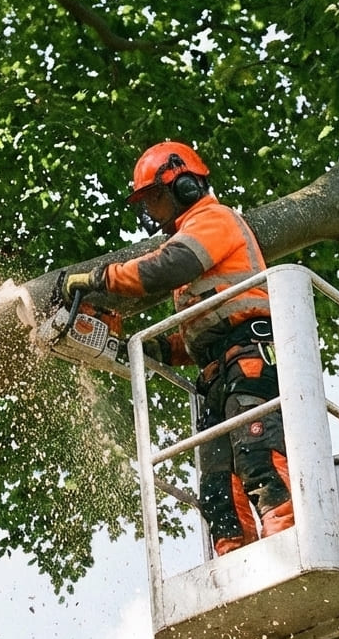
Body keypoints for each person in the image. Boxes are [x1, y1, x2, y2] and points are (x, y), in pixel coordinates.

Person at [63, 141, 294, 556]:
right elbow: (200, 334)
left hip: (250, 359)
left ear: (183, 184)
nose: (150, 210)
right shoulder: (193, 240)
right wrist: (149, 347)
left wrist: (100, 278)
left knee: (259, 458)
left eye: (153, 197)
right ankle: (235, 561)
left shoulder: (213, 220)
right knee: (217, 486)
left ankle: (290, 548)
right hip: (215, 375)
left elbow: (166, 267)